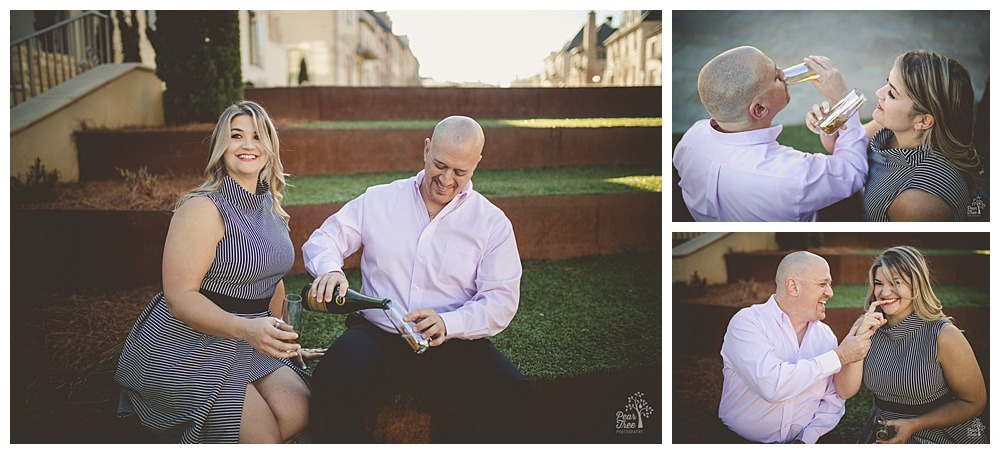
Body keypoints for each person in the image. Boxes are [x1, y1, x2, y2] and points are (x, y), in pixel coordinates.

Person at [302, 115, 534, 442]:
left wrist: (448, 322)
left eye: (460, 172)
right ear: (426, 149)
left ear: (476, 165)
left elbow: (501, 300)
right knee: (331, 381)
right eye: (440, 165)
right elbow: (324, 239)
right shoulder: (380, 200)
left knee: (514, 395)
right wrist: (329, 269)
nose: (446, 179)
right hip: (377, 335)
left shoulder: (492, 223)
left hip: (452, 343)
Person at [115, 100, 321, 443]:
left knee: (299, 410)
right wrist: (246, 329)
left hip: (248, 336)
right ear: (220, 146)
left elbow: (274, 280)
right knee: (264, 439)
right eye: (236, 135)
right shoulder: (202, 208)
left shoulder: (271, 206)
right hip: (190, 341)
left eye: (257, 136)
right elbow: (179, 296)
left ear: (270, 147)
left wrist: (281, 339)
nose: (247, 145)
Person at [673, 46, 869, 221]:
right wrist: (844, 100)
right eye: (775, 77)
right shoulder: (791, 174)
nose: (783, 74)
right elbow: (853, 170)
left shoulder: (691, 139)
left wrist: (831, 125)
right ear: (759, 109)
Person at [806, 50, 987, 221]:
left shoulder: (918, 202)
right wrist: (830, 122)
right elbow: (841, 145)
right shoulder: (893, 125)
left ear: (923, 121)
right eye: (888, 82)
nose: (879, 93)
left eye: (892, 93)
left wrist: (843, 99)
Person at [832, 246, 987, 443]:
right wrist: (860, 338)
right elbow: (845, 390)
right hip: (882, 431)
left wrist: (915, 424)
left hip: (940, 432)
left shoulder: (945, 335)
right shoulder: (864, 327)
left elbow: (973, 402)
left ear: (916, 285)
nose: (885, 292)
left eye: (896, 283)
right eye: (879, 283)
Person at [719, 251, 874, 443]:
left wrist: (806, 439)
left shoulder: (825, 335)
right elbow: (771, 385)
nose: (830, 292)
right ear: (793, 286)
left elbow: (833, 399)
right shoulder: (747, 323)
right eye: (823, 284)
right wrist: (839, 356)